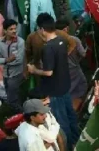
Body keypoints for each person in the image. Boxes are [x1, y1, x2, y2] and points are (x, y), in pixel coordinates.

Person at [25, 13, 79, 147]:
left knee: (62, 121)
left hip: (55, 90)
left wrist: (33, 70)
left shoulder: (48, 47)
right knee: (71, 116)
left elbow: (48, 72)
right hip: (65, 85)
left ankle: (67, 146)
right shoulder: (61, 40)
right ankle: (78, 141)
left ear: (42, 29)